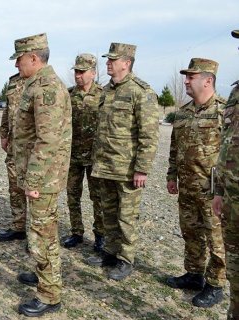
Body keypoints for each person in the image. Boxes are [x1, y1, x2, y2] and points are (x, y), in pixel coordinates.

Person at [10, 33, 72, 317]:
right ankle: (42, 275)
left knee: (42, 234)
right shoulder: (36, 84)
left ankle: (49, 294)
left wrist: (32, 180)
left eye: (20, 59)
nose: (17, 65)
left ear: (34, 58)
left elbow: (47, 140)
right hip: (39, 176)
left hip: (43, 179)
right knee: (40, 231)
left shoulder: (47, 88)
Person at [86, 43, 159, 281]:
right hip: (105, 166)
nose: (107, 62)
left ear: (126, 63)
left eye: (112, 59)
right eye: (107, 59)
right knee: (108, 212)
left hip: (127, 169)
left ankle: (126, 259)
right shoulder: (106, 90)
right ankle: (110, 251)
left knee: (126, 217)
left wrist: (142, 169)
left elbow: (149, 135)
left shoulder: (141, 91)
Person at [166, 58, 226, 308]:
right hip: (188, 187)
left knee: (216, 239)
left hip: (212, 191)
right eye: (186, 77)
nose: (186, 81)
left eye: (191, 77)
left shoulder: (224, 111)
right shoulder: (183, 111)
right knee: (190, 232)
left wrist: (223, 191)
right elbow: (174, 147)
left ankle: (215, 284)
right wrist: (171, 175)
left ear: (208, 80)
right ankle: (193, 274)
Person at [62, 53, 105, 252]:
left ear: (93, 73)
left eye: (82, 72)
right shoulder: (68, 95)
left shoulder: (104, 96)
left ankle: (100, 236)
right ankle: (76, 232)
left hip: (95, 158)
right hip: (72, 156)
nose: (78, 75)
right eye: (76, 72)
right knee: (72, 195)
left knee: (97, 198)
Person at [213, 29, 239, 319]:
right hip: (232, 199)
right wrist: (219, 191)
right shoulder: (235, 92)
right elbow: (226, 146)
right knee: (235, 273)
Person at [0, 72, 28, 242]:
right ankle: (18, 227)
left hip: (35, 147)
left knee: (36, 192)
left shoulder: (42, 81)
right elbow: (7, 109)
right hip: (15, 144)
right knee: (15, 187)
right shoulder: (13, 81)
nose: (17, 64)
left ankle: (40, 238)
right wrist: (3, 132)